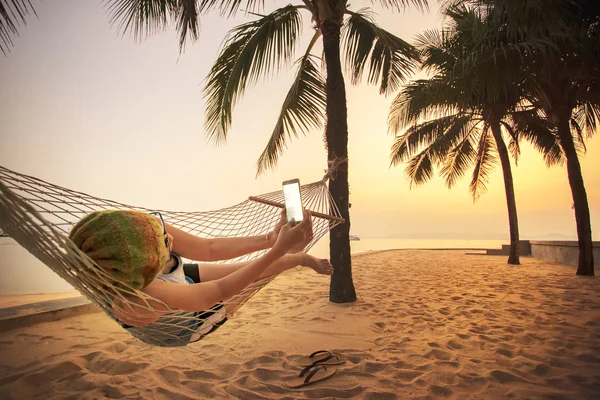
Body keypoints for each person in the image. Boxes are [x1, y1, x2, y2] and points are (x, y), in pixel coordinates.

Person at [68, 208, 332, 346]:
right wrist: (278, 251)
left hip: (178, 278)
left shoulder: (135, 231)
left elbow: (209, 248)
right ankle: (301, 258)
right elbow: (217, 291)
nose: (170, 239)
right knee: (256, 273)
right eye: (162, 242)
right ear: (144, 268)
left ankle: (300, 257)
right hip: (189, 319)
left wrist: (269, 240)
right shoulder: (138, 301)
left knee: (257, 266)